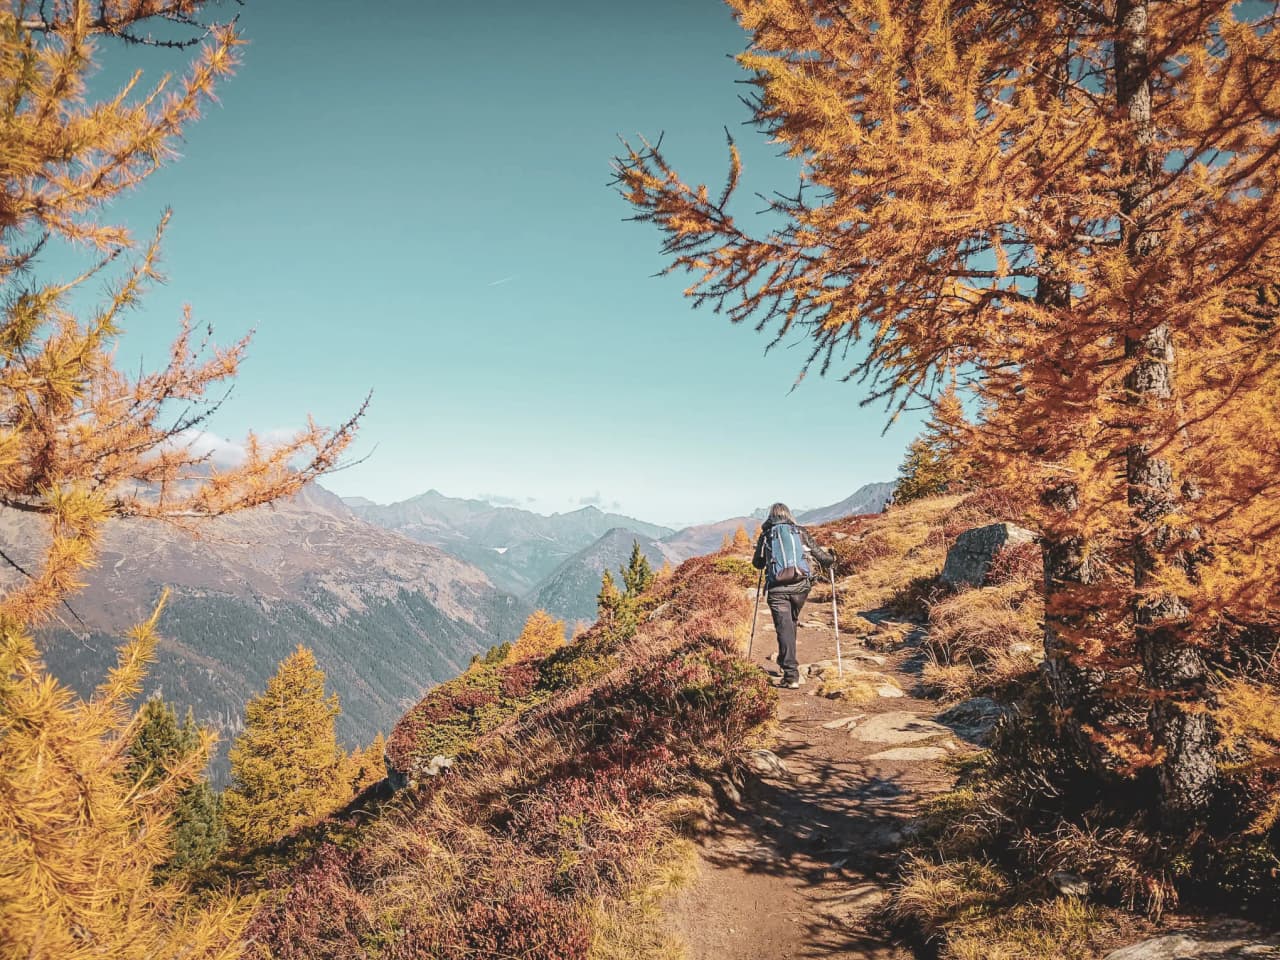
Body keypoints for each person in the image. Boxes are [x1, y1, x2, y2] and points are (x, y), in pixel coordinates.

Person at [751, 502, 835, 689]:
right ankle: (786, 661)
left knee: (784, 627)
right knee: (790, 623)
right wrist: (832, 558)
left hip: (777, 590)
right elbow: (822, 557)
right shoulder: (799, 531)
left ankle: (791, 675)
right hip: (800, 588)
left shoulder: (766, 535)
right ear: (788, 514)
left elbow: (757, 563)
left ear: (771, 516)